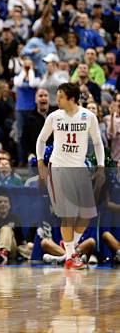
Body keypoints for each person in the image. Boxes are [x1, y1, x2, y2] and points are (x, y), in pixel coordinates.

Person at [36, 82, 105, 270]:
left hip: (79, 169)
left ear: (71, 99)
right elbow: (41, 140)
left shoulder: (88, 116)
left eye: (60, 97)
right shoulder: (54, 116)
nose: (56, 100)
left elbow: (98, 143)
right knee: (68, 215)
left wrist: (101, 167)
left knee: (88, 214)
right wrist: (41, 162)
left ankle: (69, 248)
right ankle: (70, 257)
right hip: (58, 168)